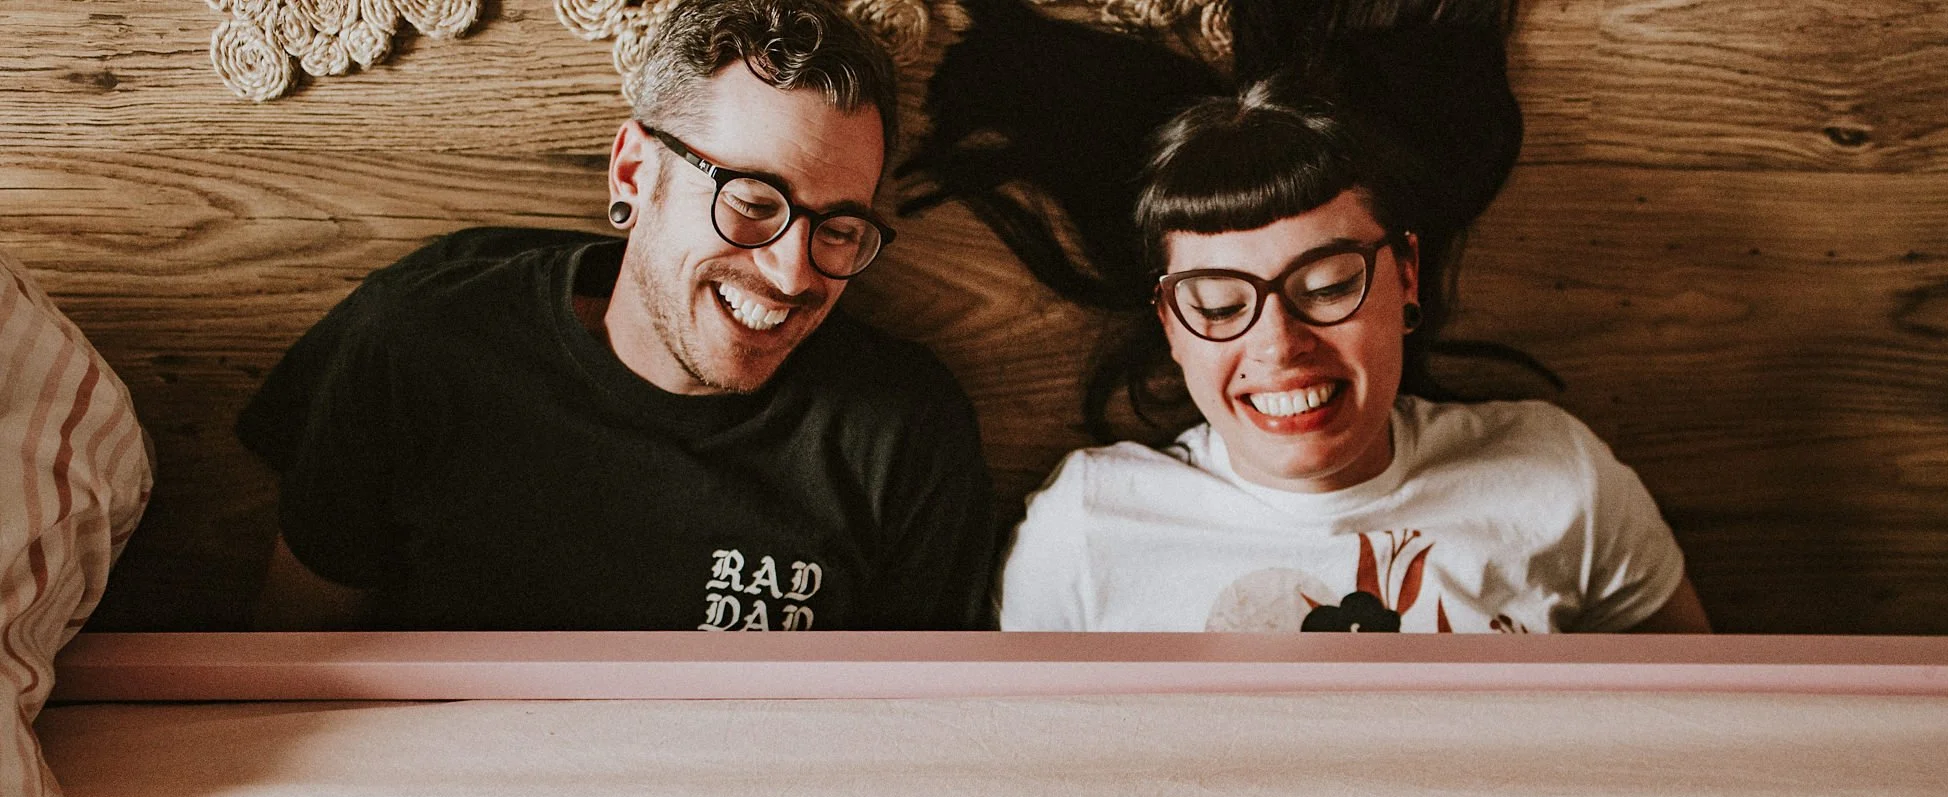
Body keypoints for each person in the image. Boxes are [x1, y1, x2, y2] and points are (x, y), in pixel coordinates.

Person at [241, 0, 994, 632]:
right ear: (636, 172)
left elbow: (915, 740)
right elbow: (292, 655)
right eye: (753, 204)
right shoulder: (424, 340)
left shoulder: (905, 433)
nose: (793, 272)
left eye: (837, 230)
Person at [996, 82, 1709, 634]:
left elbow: (1701, 733)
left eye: (1329, 286)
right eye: (1218, 304)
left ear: (1405, 275)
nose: (1278, 345)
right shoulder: (1085, 525)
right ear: (1173, 327)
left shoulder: (1558, 476)